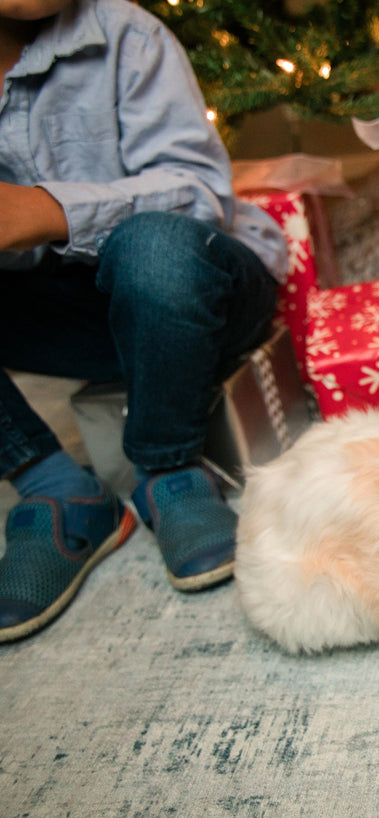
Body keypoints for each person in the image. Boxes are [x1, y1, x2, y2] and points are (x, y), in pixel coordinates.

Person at [0, 0, 288, 642]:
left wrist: (46, 211)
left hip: (198, 287)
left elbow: (198, 193)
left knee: (154, 247)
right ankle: (51, 485)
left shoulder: (125, 32)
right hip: (69, 321)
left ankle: (170, 470)